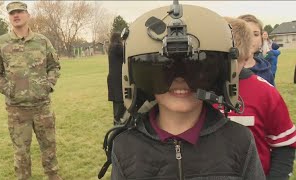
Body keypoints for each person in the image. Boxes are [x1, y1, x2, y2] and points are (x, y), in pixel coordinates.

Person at [98, 2, 265, 180]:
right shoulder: (125, 147)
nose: (179, 80)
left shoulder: (239, 141)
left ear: (220, 72)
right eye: (164, 68)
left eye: (195, 67)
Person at [0, 2, 62, 180]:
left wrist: (48, 84)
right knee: (21, 154)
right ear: (9, 17)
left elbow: (54, 66)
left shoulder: (42, 41)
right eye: (12, 13)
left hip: (42, 107)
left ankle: (53, 177)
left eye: (20, 11)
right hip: (17, 111)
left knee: (49, 149)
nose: (16, 15)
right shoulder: (0, 43)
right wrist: (8, 89)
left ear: (28, 15)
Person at [226, 17, 296, 179]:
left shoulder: (265, 92)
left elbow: (284, 146)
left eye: (232, 59)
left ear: (245, 57)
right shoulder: (193, 92)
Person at [238, 14, 275, 86]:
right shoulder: (226, 69)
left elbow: (271, 96)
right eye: (245, 33)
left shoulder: (266, 71)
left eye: (255, 34)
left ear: (261, 38)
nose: (250, 38)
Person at [107, 32, 126, 125]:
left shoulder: (111, 47)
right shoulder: (117, 47)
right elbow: (127, 52)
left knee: (116, 102)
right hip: (118, 78)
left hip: (113, 78)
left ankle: (116, 121)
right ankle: (118, 122)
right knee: (120, 101)